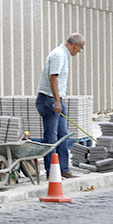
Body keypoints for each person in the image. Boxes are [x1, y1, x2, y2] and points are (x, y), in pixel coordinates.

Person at [36, 33, 86, 179]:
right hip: (48, 100)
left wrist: (59, 100)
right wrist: (57, 101)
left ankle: (64, 170)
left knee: (63, 135)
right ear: (76, 45)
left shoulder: (64, 55)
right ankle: (51, 172)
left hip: (56, 100)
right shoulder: (58, 55)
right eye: (81, 48)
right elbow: (53, 78)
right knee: (51, 137)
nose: (79, 51)